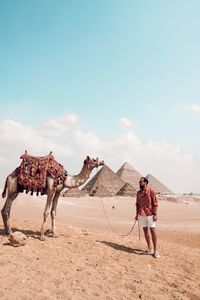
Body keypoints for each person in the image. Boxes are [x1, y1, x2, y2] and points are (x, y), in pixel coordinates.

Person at [135, 177, 160, 259]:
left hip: (150, 214)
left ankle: (155, 251)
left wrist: (155, 214)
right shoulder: (138, 193)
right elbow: (137, 204)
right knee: (145, 232)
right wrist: (136, 215)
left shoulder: (151, 191)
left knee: (153, 231)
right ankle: (150, 248)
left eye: (141, 182)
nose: (139, 184)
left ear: (145, 182)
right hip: (141, 214)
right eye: (139, 182)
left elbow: (155, 203)